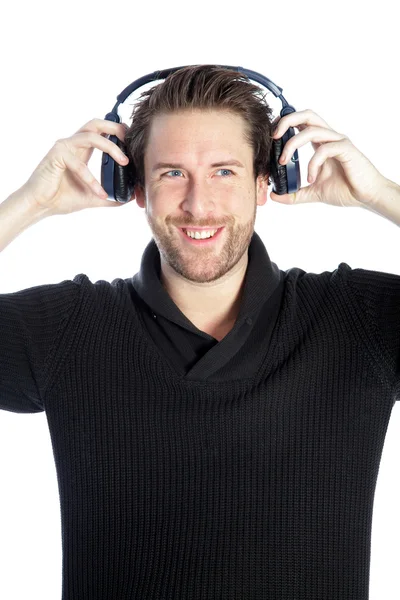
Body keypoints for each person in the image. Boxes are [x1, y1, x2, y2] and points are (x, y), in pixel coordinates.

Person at [0, 65, 399, 600]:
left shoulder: (356, 320)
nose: (198, 204)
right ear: (134, 188)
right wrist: (30, 202)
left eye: (224, 172)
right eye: (171, 173)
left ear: (267, 182)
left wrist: (381, 194)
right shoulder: (71, 328)